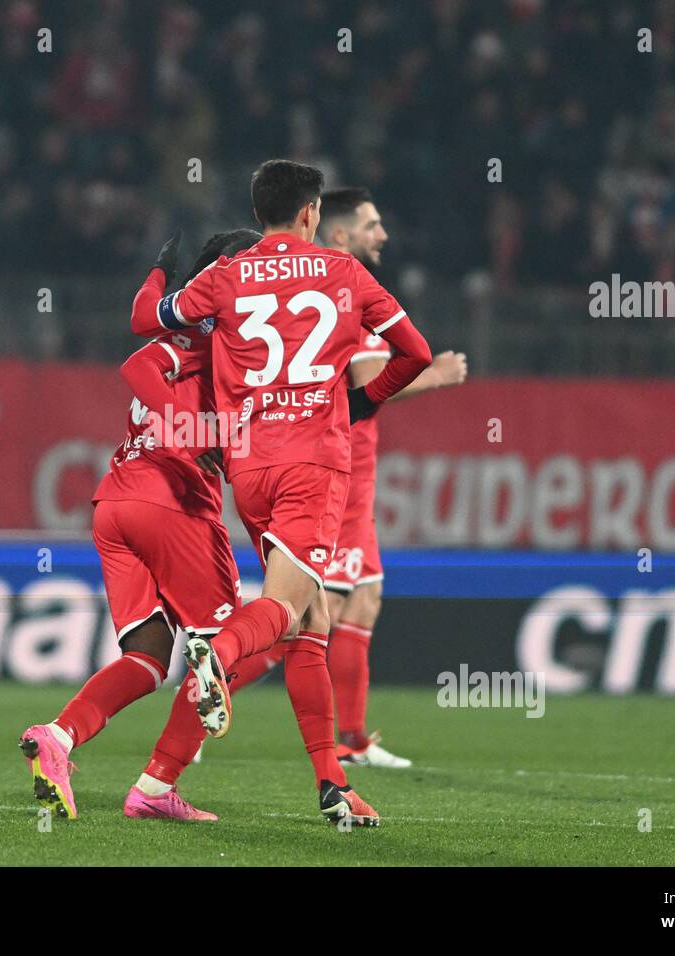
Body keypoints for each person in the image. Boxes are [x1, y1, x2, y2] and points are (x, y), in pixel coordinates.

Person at [130, 159, 433, 824]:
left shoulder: (225, 274)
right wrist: (361, 403)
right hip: (313, 466)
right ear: (309, 213)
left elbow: (153, 319)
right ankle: (221, 652)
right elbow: (416, 352)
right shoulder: (344, 273)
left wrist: (159, 273)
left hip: (249, 468)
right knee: (284, 608)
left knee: (310, 626)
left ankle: (320, 783)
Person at [18, 230, 261, 822]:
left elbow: (141, 327)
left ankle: (58, 737)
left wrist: (156, 272)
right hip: (172, 505)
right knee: (233, 648)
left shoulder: (187, 325)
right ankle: (155, 787)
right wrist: (195, 433)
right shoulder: (216, 338)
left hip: (117, 503)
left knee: (149, 659)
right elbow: (139, 364)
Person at [315, 187, 468, 768]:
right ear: (340, 235)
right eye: (372, 225)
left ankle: (351, 739)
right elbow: (368, 383)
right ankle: (206, 694)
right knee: (310, 611)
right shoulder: (341, 292)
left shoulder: (353, 290)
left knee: (364, 600)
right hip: (339, 470)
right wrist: (437, 374)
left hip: (358, 471)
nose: (383, 235)